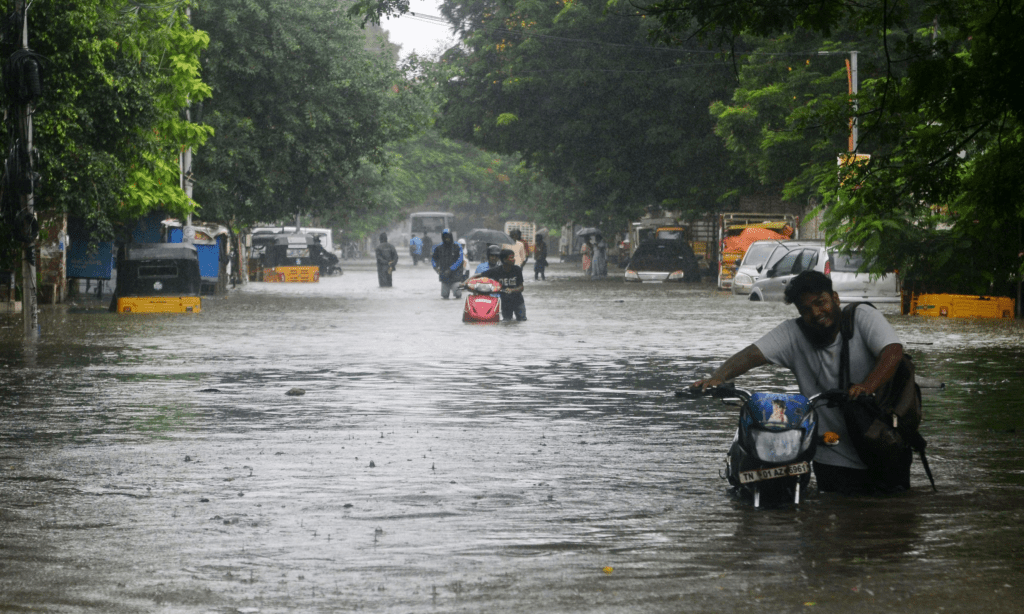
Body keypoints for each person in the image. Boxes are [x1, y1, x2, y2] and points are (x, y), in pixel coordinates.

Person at [692, 270, 906, 494]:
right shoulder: (793, 333)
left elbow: (892, 351)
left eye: (820, 302)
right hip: (832, 454)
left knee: (890, 517)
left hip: (883, 444)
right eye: (806, 309)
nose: (816, 313)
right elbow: (751, 355)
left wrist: (866, 387)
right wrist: (719, 376)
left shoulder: (862, 317)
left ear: (835, 298)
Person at [469, 248, 526, 321]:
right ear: (504, 260)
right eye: (511, 258)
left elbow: (521, 287)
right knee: (506, 322)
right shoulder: (496, 271)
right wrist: (465, 283)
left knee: (522, 321)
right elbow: (478, 276)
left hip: (518, 302)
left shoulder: (517, 270)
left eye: (513, 257)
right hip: (505, 303)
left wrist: (512, 290)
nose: (514, 259)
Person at [431, 229, 464, 299]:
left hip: (456, 276)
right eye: (445, 237)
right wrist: (436, 268)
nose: (447, 239)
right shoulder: (439, 248)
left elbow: (460, 260)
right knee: (444, 295)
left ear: (451, 237)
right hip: (444, 276)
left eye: (448, 237)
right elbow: (434, 259)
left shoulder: (457, 246)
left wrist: (451, 269)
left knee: (457, 294)